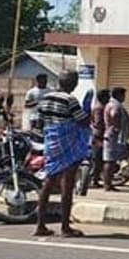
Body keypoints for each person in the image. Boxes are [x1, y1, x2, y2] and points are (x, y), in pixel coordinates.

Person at [33, 71, 90, 237]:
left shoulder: (45, 98)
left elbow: (39, 123)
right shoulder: (70, 100)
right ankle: (65, 227)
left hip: (51, 143)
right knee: (68, 183)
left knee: (49, 182)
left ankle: (40, 225)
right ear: (74, 84)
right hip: (68, 143)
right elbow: (83, 121)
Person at [102, 87, 129, 191]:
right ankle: (107, 184)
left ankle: (108, 183)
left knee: (111, 161)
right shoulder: (115, 105)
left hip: (112, 136)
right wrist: (116, 126)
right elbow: (114, 114)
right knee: (110, 161)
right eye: (123, 95)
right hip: (113, 137)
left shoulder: (111, 104)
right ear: (119, 95)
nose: (124, 97)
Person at [88, 89, 110, 189]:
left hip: (98, 135)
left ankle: (96, 178)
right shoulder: (99, 108)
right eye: (107, 96)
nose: (109, 98)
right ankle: (94, 180)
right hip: (98, 136)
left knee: (99, 159)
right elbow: (98, 122)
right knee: (98, 159)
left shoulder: (101, 107)